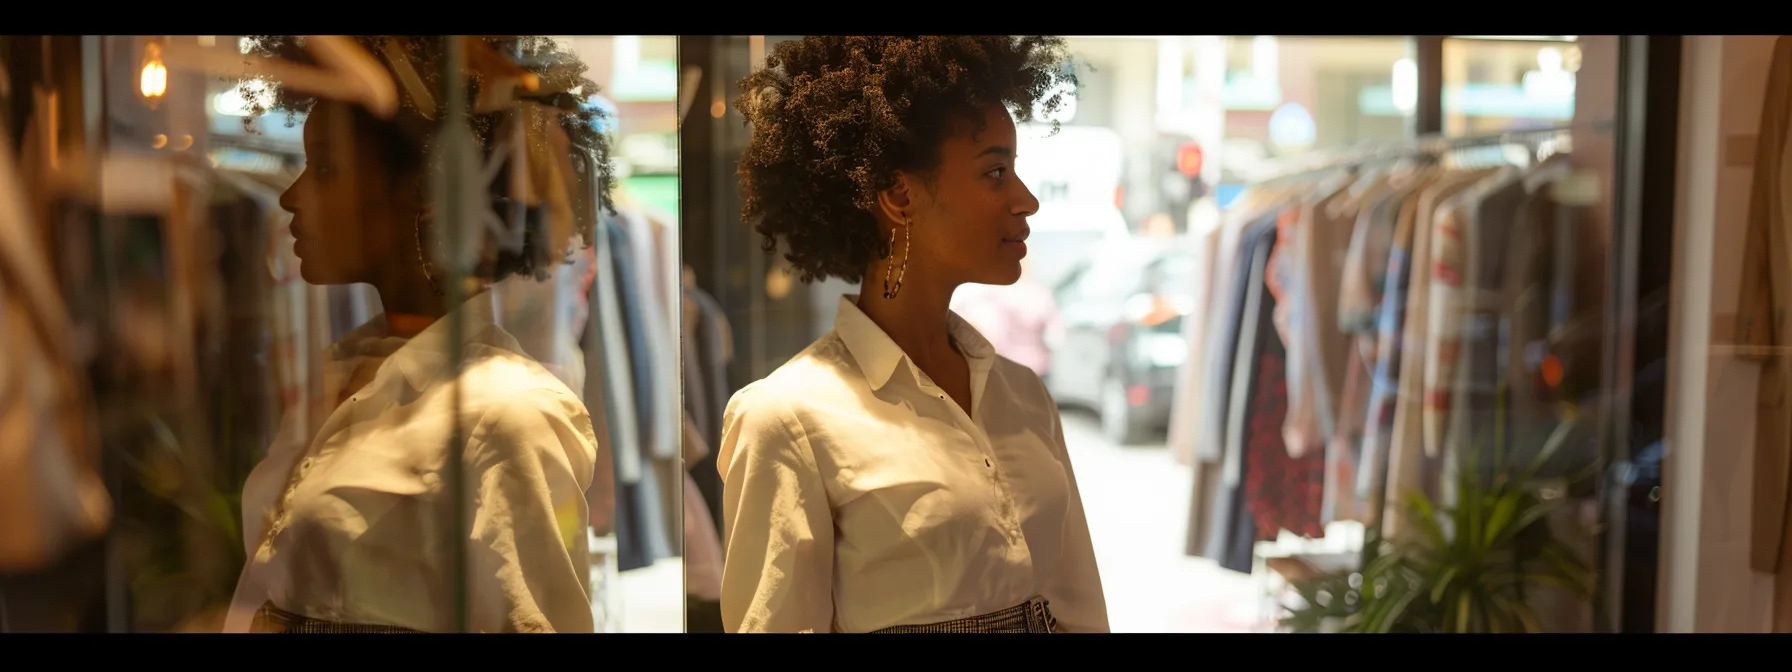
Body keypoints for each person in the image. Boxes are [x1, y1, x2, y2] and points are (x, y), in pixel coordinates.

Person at [220, 35, 614, 634]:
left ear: (426, 194)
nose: (292, 196)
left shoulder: (505, 416)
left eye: (325, 167)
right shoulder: (353, 376)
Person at [717, 35, 1109, 634]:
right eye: (995, 171)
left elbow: (1079, 607)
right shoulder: (788, 418)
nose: (1025, 200)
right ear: (899, 196)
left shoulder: (1023, 395)